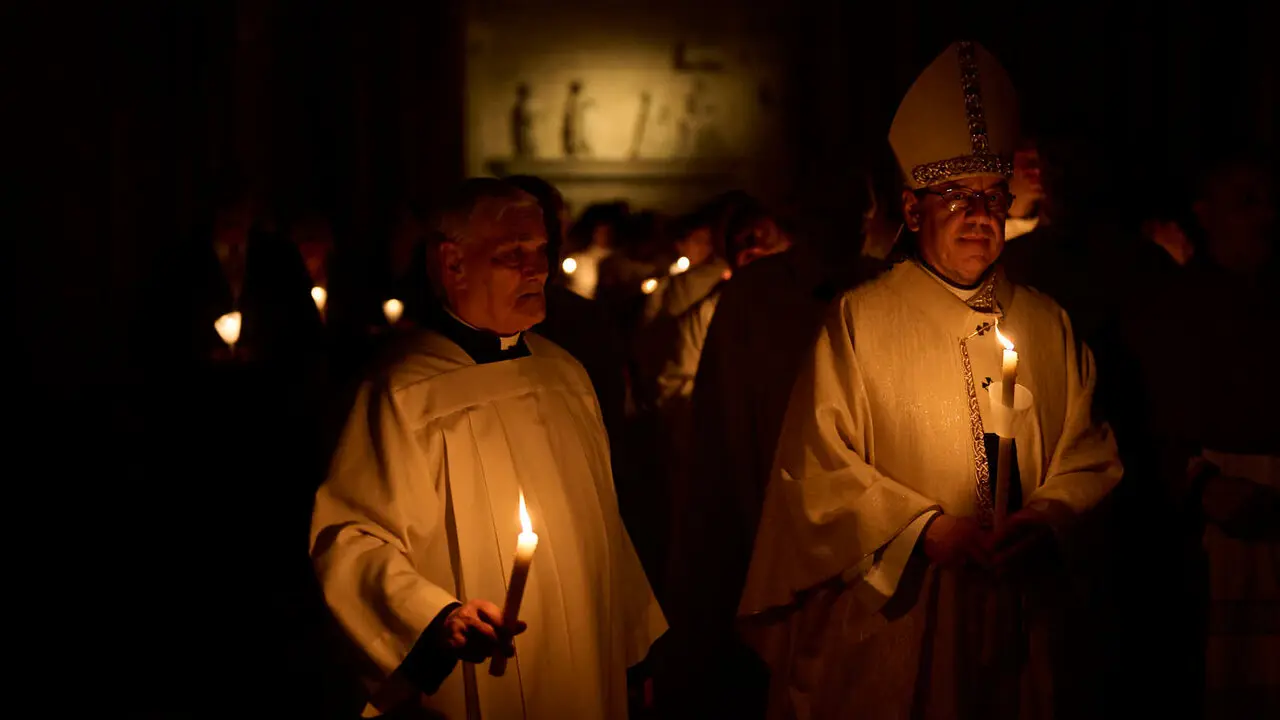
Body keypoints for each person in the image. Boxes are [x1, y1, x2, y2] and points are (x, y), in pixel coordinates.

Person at [737, 42, 1122, 720]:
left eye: (992, 196)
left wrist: (1047, 517)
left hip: (1017, 609)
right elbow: (815, 472)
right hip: (902, 614)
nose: (980, 214)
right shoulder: (862, 320)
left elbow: (1091, 457)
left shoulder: (1045, 323)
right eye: (957, 196)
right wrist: (924, 529)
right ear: (912, 212)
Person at [311, 178, 665, 718]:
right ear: (453, 265)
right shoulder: (405, 390)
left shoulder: (564, 374)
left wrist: (634, 649)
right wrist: (438, 618)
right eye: (512, 254)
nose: (537, 269)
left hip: (585, 663)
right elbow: (354, 538)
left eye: (541, 250)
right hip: (477, 672)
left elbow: (604, 526)